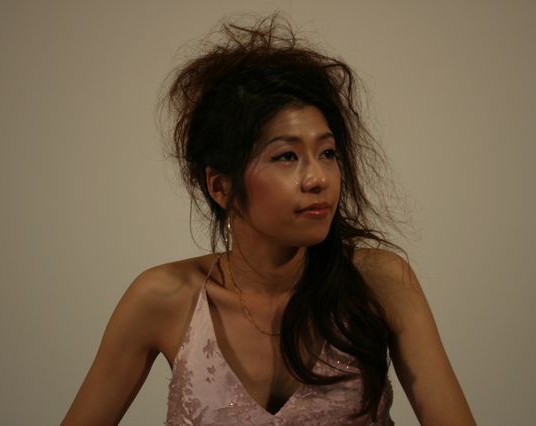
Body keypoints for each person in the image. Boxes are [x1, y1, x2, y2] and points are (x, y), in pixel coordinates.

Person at [62, 14, 475, 426]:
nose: (318, 179)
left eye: (327, 153)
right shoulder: (162, 297)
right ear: (221, 186)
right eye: (286, 156)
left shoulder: (380, 283)